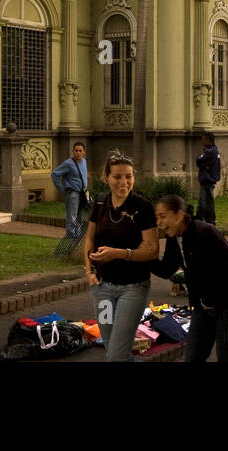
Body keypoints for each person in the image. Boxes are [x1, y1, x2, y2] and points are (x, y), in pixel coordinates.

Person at [148, 195, 228, 362]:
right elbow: (167, 269)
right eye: (157, 217)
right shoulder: (174, 238)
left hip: (227, 306)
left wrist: (209, 299)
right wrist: (143, 257)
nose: (159, 222)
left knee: (227, 356)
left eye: (163, 216)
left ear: (178, 215)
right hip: (202, 308)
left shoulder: (205, 232)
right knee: (193, 357)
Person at [83, 151, 158, 361]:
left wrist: (118, 254)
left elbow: (152, 249)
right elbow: (89, 239)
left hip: (132, 289)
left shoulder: (142, 207)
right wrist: (89, 272)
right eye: (117, 176)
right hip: (103, 290)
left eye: (128, 176)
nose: (123, 182)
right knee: (110, 346)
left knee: (116, 353)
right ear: (106, 177)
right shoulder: (100, 203)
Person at [50, 141, 89, 239]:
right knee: (72, 217)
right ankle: (71, 238)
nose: (78, 153)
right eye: (76, 150)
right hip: (73, 193)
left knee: (80, 216)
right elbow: (55, 174)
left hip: (82, 193)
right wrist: (62, 188)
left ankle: (78, 237)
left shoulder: (84, 161)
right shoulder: (68, 163)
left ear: (84, 152)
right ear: (73, 151)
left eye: (80, 151)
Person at [196, 132, 220, 225]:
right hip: (208, 179)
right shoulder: (211, 150)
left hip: (208, 179)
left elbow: (199, 160)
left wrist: (199, 159)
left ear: (208, 140)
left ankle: (205, 220)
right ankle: (205, 219)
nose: (202, 141)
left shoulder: (210, 152)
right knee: (205, 201)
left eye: (203, 139)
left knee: (205, 201)